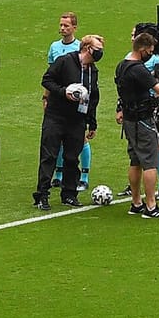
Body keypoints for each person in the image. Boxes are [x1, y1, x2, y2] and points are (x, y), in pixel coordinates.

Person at [37, 34, 104, 210]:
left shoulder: (93, 71)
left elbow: (93, 97)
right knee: (49, 156)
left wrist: (92, 122)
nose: (100, 53)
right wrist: (63, 92)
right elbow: (47, 80)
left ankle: (69, 194)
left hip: (77, 120)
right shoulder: (64, 61)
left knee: (72, 158)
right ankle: (42, 195)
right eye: (97, 49)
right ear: (87, 48)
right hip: (56, 116)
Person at [117, 30, 159, 218]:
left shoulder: (121, 66)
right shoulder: (139, 69)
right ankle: (151, 206)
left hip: (129, 120)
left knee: (135, 160)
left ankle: (136, 202)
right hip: (143, 120)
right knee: (150, 162)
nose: (151, 53)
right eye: (149, 50)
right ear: (142, 49)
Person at [48, 12, 92, 190]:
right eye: (61, 25)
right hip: (58, 98)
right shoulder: (54, 47)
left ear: (75, 27)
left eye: (66, 26)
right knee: (58, 138)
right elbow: (50, 73)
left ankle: (84, 175)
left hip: (77, 100)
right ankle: (58, 174)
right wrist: (46, 97)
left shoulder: (80, 47)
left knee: (81, 139)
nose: (62, 28)